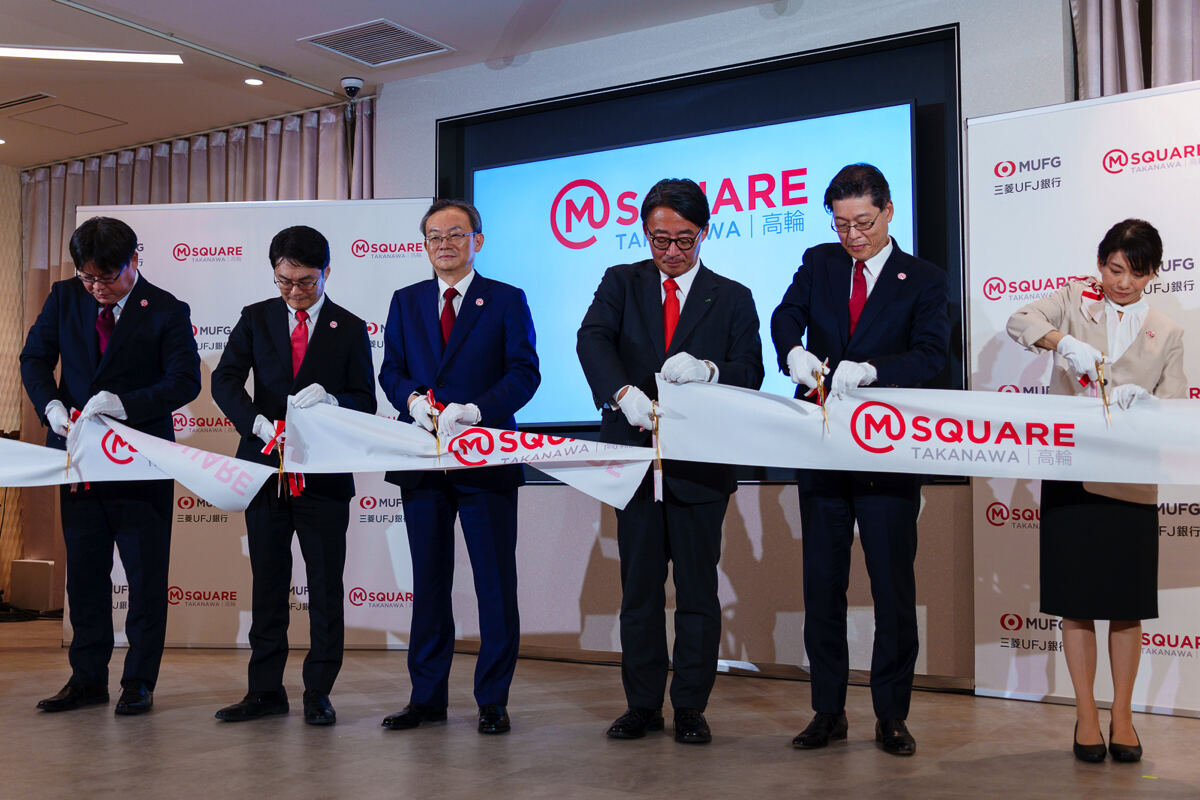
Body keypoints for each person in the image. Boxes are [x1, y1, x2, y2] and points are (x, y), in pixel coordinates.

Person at [577, 178, 764, 744]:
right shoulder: (622, 281)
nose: (672, 251)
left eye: (684, 240)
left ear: (703, 233)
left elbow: (751, 372)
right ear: (645, 232)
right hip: (634, 464)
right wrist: (620, 392)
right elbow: (592, 339)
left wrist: (711, 372)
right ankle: (641, 704)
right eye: (660, 240)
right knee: (638, 591)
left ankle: (689, 707)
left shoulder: (732, 296)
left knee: (698, 594)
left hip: (700, 468)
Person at [771, 164, 949, 756]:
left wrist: (874, 371)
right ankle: (827, 710)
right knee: (822, 584)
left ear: (889, 211)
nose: (853, 236)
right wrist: (792, 351)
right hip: (821, 447)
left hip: (886, 452)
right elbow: (785, 315)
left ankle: (891, 715)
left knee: (892, 587)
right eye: (842, 224)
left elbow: (932, 356)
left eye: (864, 223)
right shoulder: (820, 262)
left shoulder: (922, 279)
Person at [1006, 218, 1184, 764]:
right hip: (1072, 474)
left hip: (1131, 481)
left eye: (1136, 273)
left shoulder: (1167, 331)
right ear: (1100, 264)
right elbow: (1019, 321)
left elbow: (1176, 409)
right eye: (1114, 269)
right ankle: (1085, 713)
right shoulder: (1072, 302)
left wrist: (1147, 406)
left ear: (1154, 274)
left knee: (1127, 605)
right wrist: (1063, 343)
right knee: (1077, 603)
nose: (1123, 283)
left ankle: (1122, 715)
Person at [20, 216, 201, 715]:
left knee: (144, 577)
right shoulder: (64, 297)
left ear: (133, 261)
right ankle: (86, 680)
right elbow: (34, 359)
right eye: (88, 277)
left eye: (106, 277)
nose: (97, 288)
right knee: (84, 574)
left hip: (140, 461)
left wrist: (125, 404)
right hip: (80, 460)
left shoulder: (165, 308)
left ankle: (138, 682)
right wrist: (51, 407)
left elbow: (185, 380)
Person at [378, 199, 539, 735]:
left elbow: (525, 373)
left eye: (455, 234)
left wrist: (477, 411)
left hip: (485, 458)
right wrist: (412, 401)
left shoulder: (506, 299)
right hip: (424, 461)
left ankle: (492, 700)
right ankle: (426, 698)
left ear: (478, 240)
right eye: (434, 236)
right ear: (424, 244)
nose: (444, 244)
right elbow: (391, 370)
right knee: (428, 585)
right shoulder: (405, 300)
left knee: (495, 585)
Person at [210, 225, 376, 726]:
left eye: (306, 282)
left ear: (327, 272)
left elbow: (366, 401)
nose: (295, 292)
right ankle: (264, 690)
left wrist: (333, 401)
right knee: (268, 583)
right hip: (266, 469)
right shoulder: (256, 317)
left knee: (324, 586)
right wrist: (255, 423)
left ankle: (318, 691)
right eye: (285, 281)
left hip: (322, 475)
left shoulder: (349, 327)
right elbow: (224, 379)